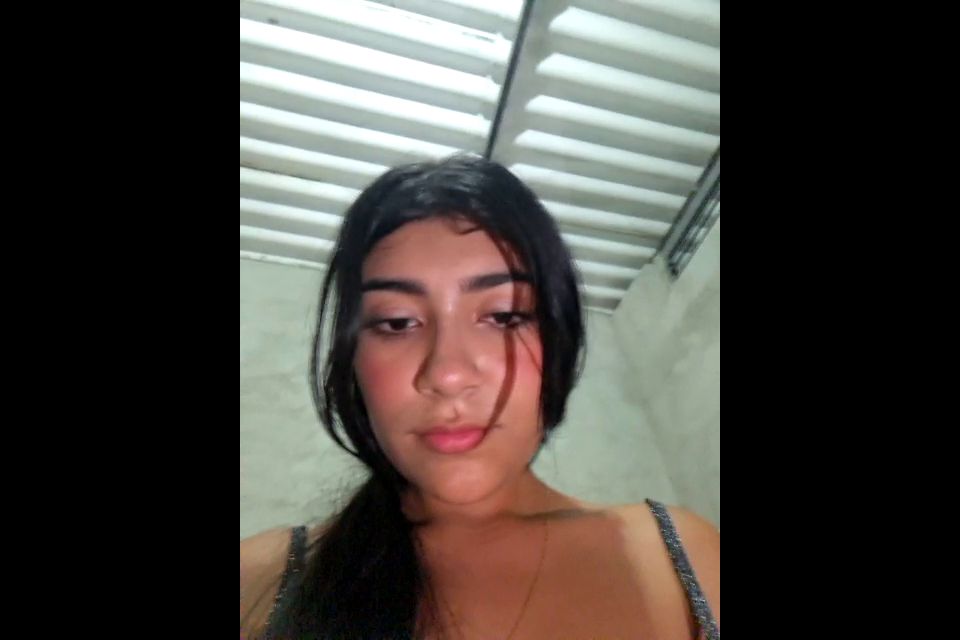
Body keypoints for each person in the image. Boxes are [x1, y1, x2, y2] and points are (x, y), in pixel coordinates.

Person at [240, 154, 720, 639]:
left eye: (504, 316)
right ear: (352, 360)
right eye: (397, 323)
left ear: (559, 337)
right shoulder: (259, 580)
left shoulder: (683, 559)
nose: (448, 374)